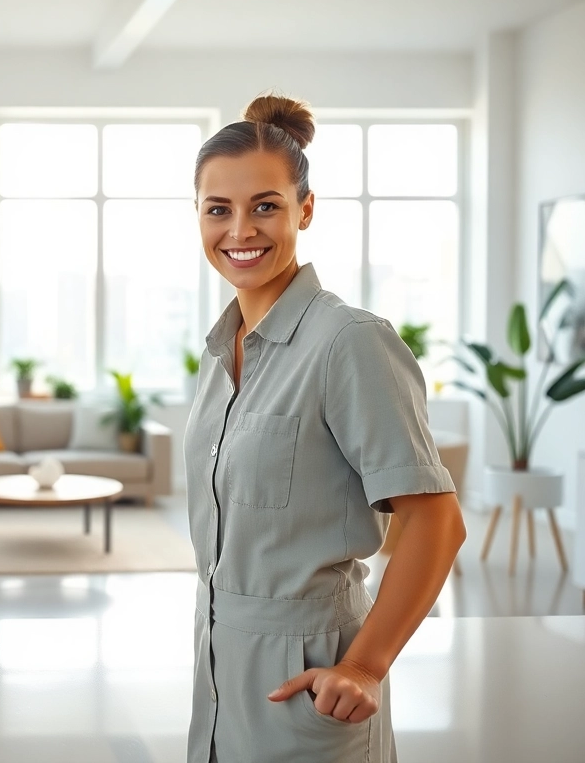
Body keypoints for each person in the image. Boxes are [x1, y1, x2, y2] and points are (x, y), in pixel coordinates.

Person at [184, 94, 466, 762]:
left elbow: (436, 521)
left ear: (305, 209)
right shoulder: (220, 354)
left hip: (310, 677)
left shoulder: (349, 342)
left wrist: (365, 666)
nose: (240, 231)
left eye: (266, 206)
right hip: (219, 671)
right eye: (218, 209)